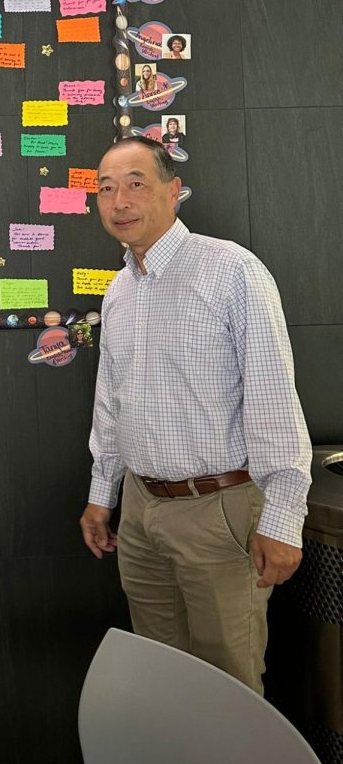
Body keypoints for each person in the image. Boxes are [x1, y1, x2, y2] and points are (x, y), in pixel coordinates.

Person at [79, 136, 311, 695]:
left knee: (229, 689)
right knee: (162, 680)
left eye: (136, 183)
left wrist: (283, 519)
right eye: (106, 189)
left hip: (219, 511)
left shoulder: (231, 270)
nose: (120, 201)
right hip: (140, 512)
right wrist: (101, 494)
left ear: (174, 191)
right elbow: (111, 401)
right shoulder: (118, 290)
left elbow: (273, 396)